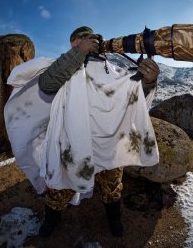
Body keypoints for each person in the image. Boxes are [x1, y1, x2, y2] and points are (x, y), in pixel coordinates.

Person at [37, 26, 160, 238]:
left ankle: (113, 217)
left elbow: (130, 95)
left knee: (112, 186)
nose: (90, 43)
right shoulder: (66, 65)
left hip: (108, 144)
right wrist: (78, 53)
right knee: (61, 184)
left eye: (91, 39)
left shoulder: (111, 69)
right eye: (82, 41)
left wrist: (148, 81)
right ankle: (51, 218)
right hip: (73, 142)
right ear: (75, 44)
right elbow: (47, 84)